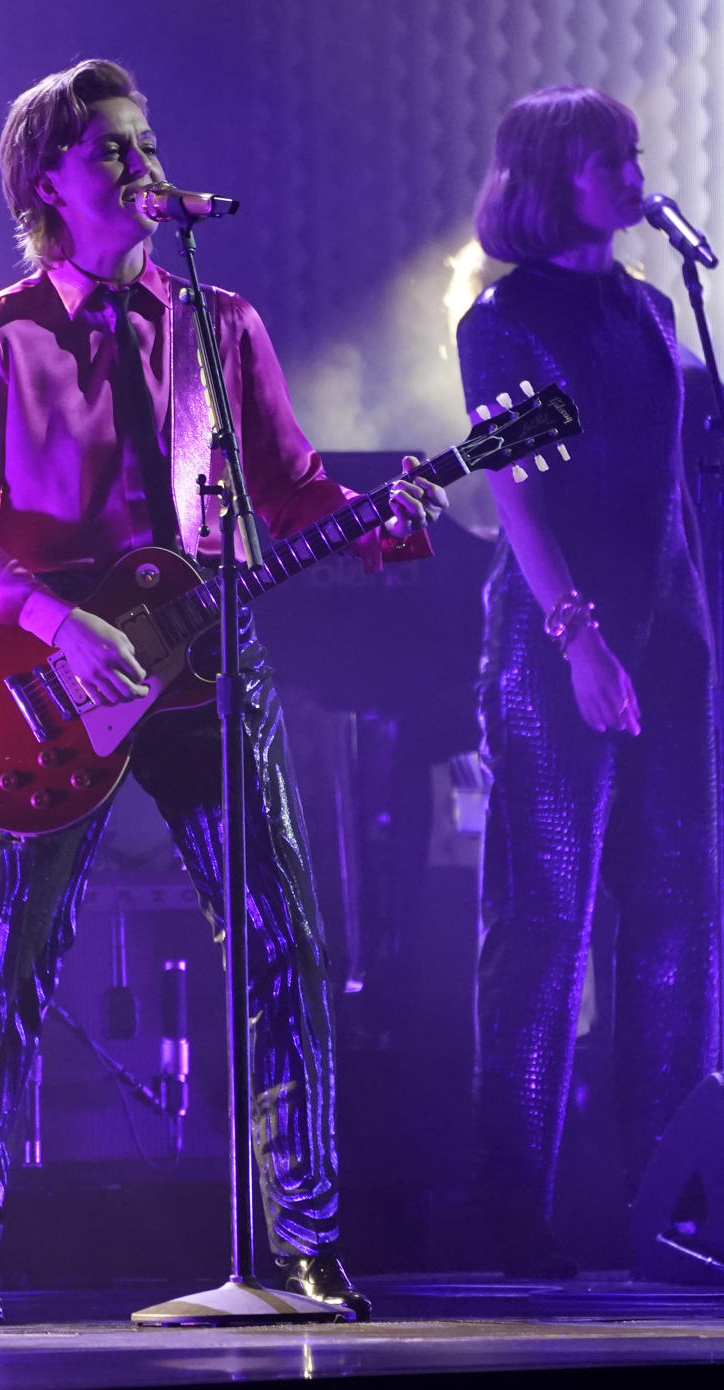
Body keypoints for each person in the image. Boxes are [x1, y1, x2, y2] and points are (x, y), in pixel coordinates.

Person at [0, 58, 446, 1325]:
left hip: (210, 670)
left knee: (285, 950)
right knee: (5, 959)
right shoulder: (0, 334)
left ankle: (304, 1244)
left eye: (146, 142)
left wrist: (385, 523)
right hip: (53, 679)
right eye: (112, 149)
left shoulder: (221, 323)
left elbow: (297, 490)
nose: (141, 165)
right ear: (49, 177)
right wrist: (54, 616)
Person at [456, 84, 720, 1277]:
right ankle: (515, 1211)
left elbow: (672, 497)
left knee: (675, 924)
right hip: (555, 647)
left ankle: (668, 1207)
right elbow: (518, 498)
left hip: (669, 641)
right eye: (612, 157)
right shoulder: (504, 321)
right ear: (554, 176)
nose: (637, 171)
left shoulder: (655, 306)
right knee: (549, 922)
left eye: (634, 154)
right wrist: (581, 641)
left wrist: (685, 640)